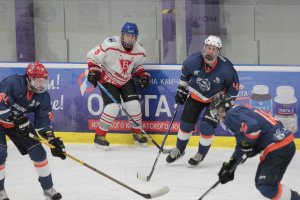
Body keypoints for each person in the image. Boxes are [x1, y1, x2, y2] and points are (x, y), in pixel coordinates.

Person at [166, 35, 239, 166]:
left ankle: (201, 154)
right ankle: (179, 149)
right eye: (208, 47)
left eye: (214, 49)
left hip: (217, 98)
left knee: (206, 126)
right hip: (196, 95)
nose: (210, 51)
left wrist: (226, 104)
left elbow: (234, 88)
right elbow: (184, 75)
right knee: (186, 125)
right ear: (203, 48)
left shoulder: (227, 68)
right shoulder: (192, 61)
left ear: (218, 52)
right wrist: (182, 89)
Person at [210, 93, 300, 200]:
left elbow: (253, 126)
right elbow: (241, 144)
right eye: (214, 112)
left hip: (278, 146)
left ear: (226, 106)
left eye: (217, 111)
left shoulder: (231, 114)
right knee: (261, 184)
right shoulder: (238, 111)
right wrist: (231, 165)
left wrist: (249, 144)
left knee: (267, 186)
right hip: (278, 145)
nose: (216, 115)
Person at [0, 62, 66, 200]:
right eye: (38, 80)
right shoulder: (12, 83)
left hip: (18, 124)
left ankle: (48, 189)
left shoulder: (43, 96)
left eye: (44, 80)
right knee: (0, 154)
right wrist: (16, 119)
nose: (41, 84)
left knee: (39, 152)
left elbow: (43, 124)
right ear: (28, 78)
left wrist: (52, 140)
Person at [86, 22, 150, 149]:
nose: (129, 38)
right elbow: (92, 55)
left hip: (125, 80)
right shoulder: (110, 44)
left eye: (132, 36)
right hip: (108, 79)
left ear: (136, 37)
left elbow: (137, 66)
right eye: (127, 35)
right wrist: (93, 69)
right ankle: (99, 136)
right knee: (113, 107)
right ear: (122, 35)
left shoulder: (140, 51)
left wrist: (142, 74)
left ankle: (137, 134)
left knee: (134, 105)